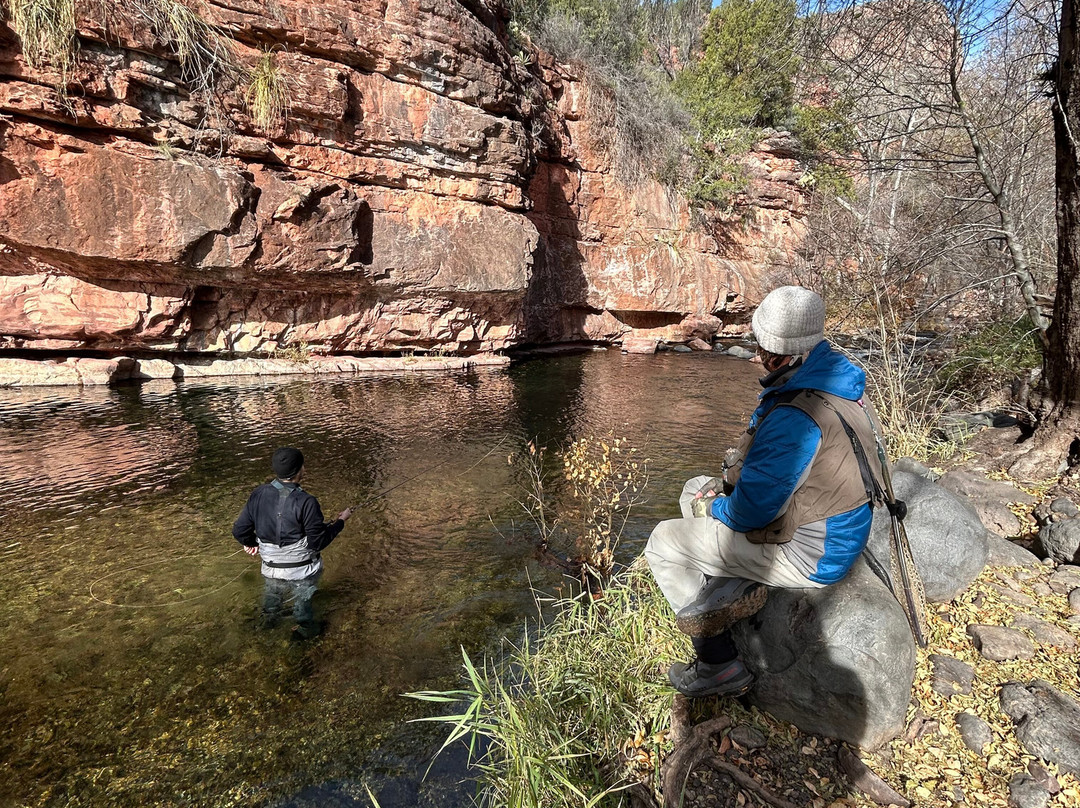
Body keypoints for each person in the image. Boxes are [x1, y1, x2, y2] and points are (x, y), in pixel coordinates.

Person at [644, 286, 889, 698]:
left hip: (810, 553)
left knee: (662, 542)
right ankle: (727, 582)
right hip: (835, 528)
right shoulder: (838, 380)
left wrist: (718, 506)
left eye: (761, 344)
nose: (756, 352)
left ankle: (716, 661)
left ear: (778, 353)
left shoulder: (796, 416)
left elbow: (753, 511)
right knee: (692, 488)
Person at [233, 447, 352, 639]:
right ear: (300, 470)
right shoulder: (307, 502)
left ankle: (265, 629)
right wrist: (340, 522)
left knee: (272, 599)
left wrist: (251, 542)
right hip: (301, 572)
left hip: (270, 568)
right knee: (302, 602)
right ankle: (306, 632)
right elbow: (318, 542)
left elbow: (239, 531)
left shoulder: (258, 494)